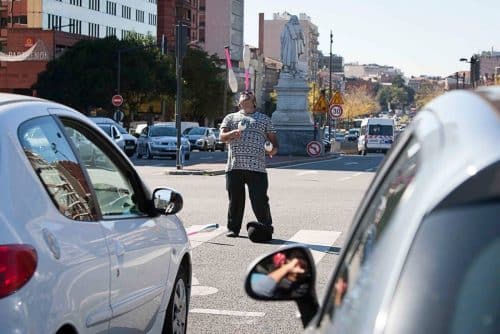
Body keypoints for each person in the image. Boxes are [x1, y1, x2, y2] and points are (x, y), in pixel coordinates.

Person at [220, 90, 279, 238]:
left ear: (254, 101)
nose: (245, 96)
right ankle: (233, 228)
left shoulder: (264, 119)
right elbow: (221, 137)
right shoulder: (231, 118)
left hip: (257, 167)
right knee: (235, 200)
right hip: (235, 166)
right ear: (239, 103)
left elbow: (274, 144)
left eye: (249, 95)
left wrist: (272, 150)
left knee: (260, 200)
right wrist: (232, 134)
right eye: (243, 96)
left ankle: (266, 227)